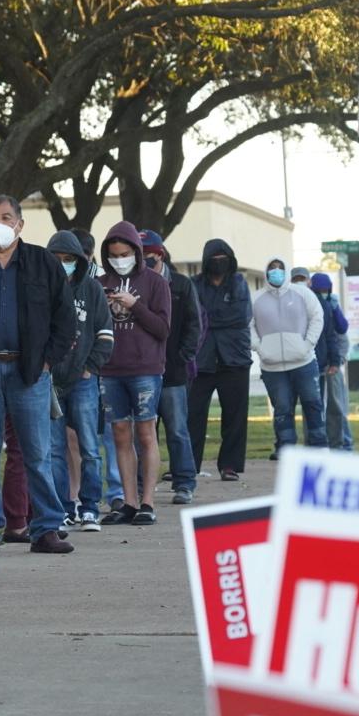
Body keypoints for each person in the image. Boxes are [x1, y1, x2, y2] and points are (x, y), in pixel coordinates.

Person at [0, 196, 76, 554]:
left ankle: (45, 528)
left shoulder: (43, 262)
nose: (0, 223)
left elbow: (65, 318)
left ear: (20, 224)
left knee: (38, 452)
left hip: (29, 371)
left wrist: (48, 360)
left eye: (7, 217)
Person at [96, 222, 172, 525]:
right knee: (119, 435)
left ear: (136, 253)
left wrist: (135, 306)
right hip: (110, 369)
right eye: (113, 255)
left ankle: (148, 502)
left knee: (146, 433)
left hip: (145, 369)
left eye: (125, 253)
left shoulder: (155, 283)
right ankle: (127, 501)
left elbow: (163, 329)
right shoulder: (101, 282)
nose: (119, 259)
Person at [47, 230, 113, 530]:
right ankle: (62, 508)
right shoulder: (41, 289)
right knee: (54, 448)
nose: (63, 264)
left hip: (83, 380)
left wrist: (90, 367)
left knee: (88, 446)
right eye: (57, 259)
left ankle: (89, 507)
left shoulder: (93, 290)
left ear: (79, 261)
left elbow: (105, 334)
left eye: (69, 259)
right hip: (49, 380)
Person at [140, 231, 202, 505]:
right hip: (140, 369)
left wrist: (182, 357)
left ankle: (185, 482)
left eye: (147, 257)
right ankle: (142, 487)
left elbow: (194, 324)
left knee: (177, 430)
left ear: (160, 255)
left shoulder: (181, 284)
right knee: (141, 432)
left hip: (173, 371)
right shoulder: (131, 284)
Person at [187, 239, 253, 482]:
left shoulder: (239, 283)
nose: (218, 263)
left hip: (234, 359)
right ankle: (188, 466)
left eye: (222, 257)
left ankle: (230, 465)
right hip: (201, 361)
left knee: (235, 416)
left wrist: (209, 316)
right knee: (193, 415)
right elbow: (194, 316)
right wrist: (212, 317)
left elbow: (241, 316)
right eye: (213, 259)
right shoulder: (194, 284)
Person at [252, 256, 327, 452]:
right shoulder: (256, 298)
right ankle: (286, 450)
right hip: (272, 367)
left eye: (279, 268)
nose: (275, 272)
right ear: (266, 272)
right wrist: (259, 348)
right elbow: (246, 326)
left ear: (286, 272)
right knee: (282, 409)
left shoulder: (303, 293)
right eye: (272, 269)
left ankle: (319, 447)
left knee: (312, 404)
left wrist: (307, 344)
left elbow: (317, 318)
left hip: (304, 362)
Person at [308, 273, 354, 451]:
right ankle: (318, 443)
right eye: (320, 291)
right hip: (315, 362)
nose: (323, 293)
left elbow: (340, 330)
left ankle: (342, 442)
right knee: (315, 407)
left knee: (337, 407)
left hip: (332, 363)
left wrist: (334, 309)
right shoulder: (311, 306)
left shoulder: (330, 306)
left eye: (326, 290)